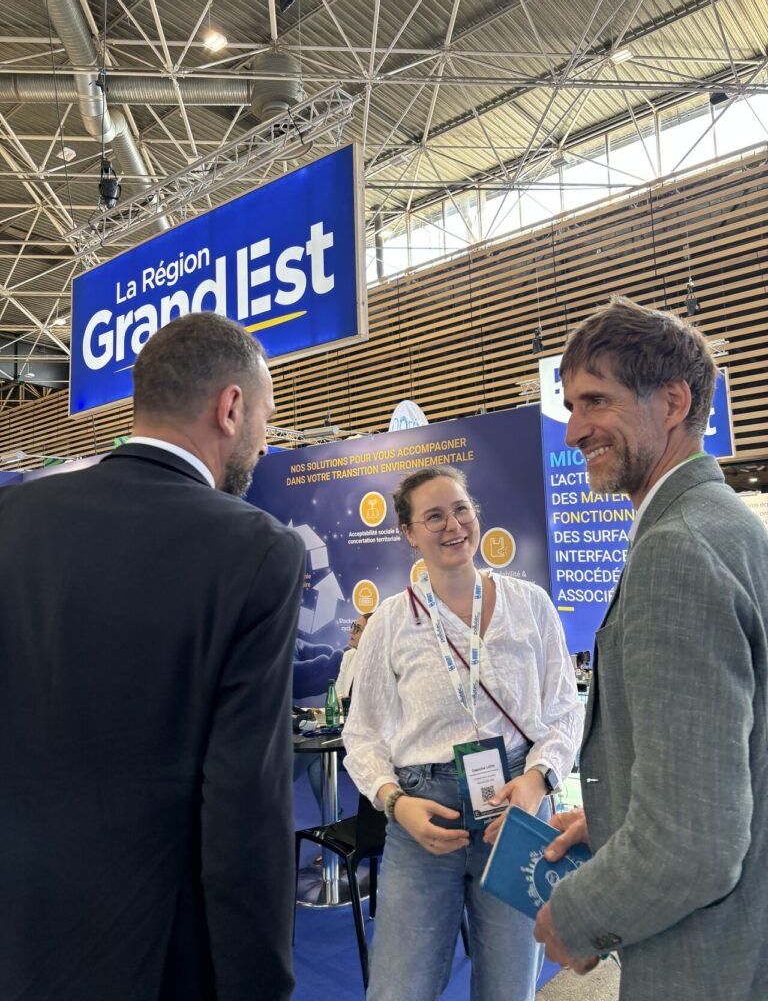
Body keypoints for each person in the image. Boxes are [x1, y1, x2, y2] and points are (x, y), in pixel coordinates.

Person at [0, 312, 306, 1001]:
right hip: (158, 961)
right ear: (230, 408)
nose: (264, 441)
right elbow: (244, 813)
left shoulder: (12, 520)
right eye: (265, 416)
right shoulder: (254, 551)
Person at [533, 296, 768, 1000]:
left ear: (672, 402)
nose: (573, 430)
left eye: (594, 401)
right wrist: (611, 821)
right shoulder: (724, 525)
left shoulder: (679, 551)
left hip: (707, 965)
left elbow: (691, 846)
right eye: (570, 405)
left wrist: (576, 916)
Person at [343, 465, 583, 1001]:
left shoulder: (531, 606)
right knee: (398, 988)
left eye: (460, 510)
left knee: (509, 987)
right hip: (424, 814)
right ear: (408, 533)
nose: (453, 526)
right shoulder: (390, 621)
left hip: (517, 809)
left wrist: (540, 780)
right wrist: (394, 802)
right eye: (433, 517)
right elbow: (362, 735)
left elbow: (565, 709)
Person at [336, 611, 372, 698]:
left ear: (371, 634)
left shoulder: (383, 661)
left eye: (357, 629)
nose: (351, 631)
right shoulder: (348, 656)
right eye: (353, 626)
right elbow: (338, 693)